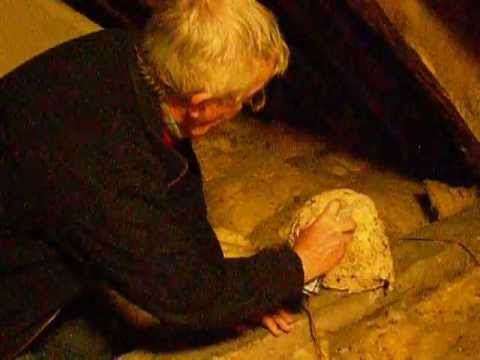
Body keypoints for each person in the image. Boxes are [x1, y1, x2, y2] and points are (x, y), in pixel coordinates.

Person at [0, 0, 355, 358]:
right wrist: (300, 264)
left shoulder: (131, 57)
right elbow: (182, 293)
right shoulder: (101, 159)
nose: (246, 109)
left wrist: (242, 295)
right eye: (249, 99)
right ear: (200, 104)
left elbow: (175, 185)